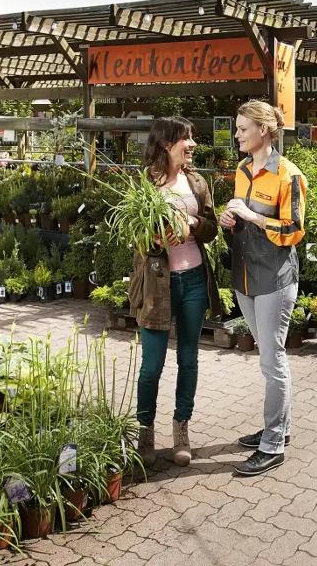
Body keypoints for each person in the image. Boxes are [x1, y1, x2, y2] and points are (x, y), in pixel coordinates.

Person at [219, 100, 307, 476]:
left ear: (264, 131)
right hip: (244, 275)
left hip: (274, 278)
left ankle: (273, 444)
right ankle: (280, 428)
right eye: (237, 128)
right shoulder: (242, 170)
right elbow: (240, 219)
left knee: (273, 360)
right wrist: (230, 219)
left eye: (242, 128)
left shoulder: (289, 175)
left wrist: (253, 216)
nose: (237, 134)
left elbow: (295, 231)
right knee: (267, 357)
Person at [132, 116, 222, 468]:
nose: (192, 144)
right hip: (157, 284)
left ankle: (181, 428)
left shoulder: (197, 182)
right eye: (186, 138)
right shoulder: (145, 185)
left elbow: (212, 228)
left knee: (189, 358)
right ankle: (145, 430)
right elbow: (132, 236)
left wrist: (196, 224)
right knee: (151, 366)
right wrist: (153, 239)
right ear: (167, 143)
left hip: (194, 280)